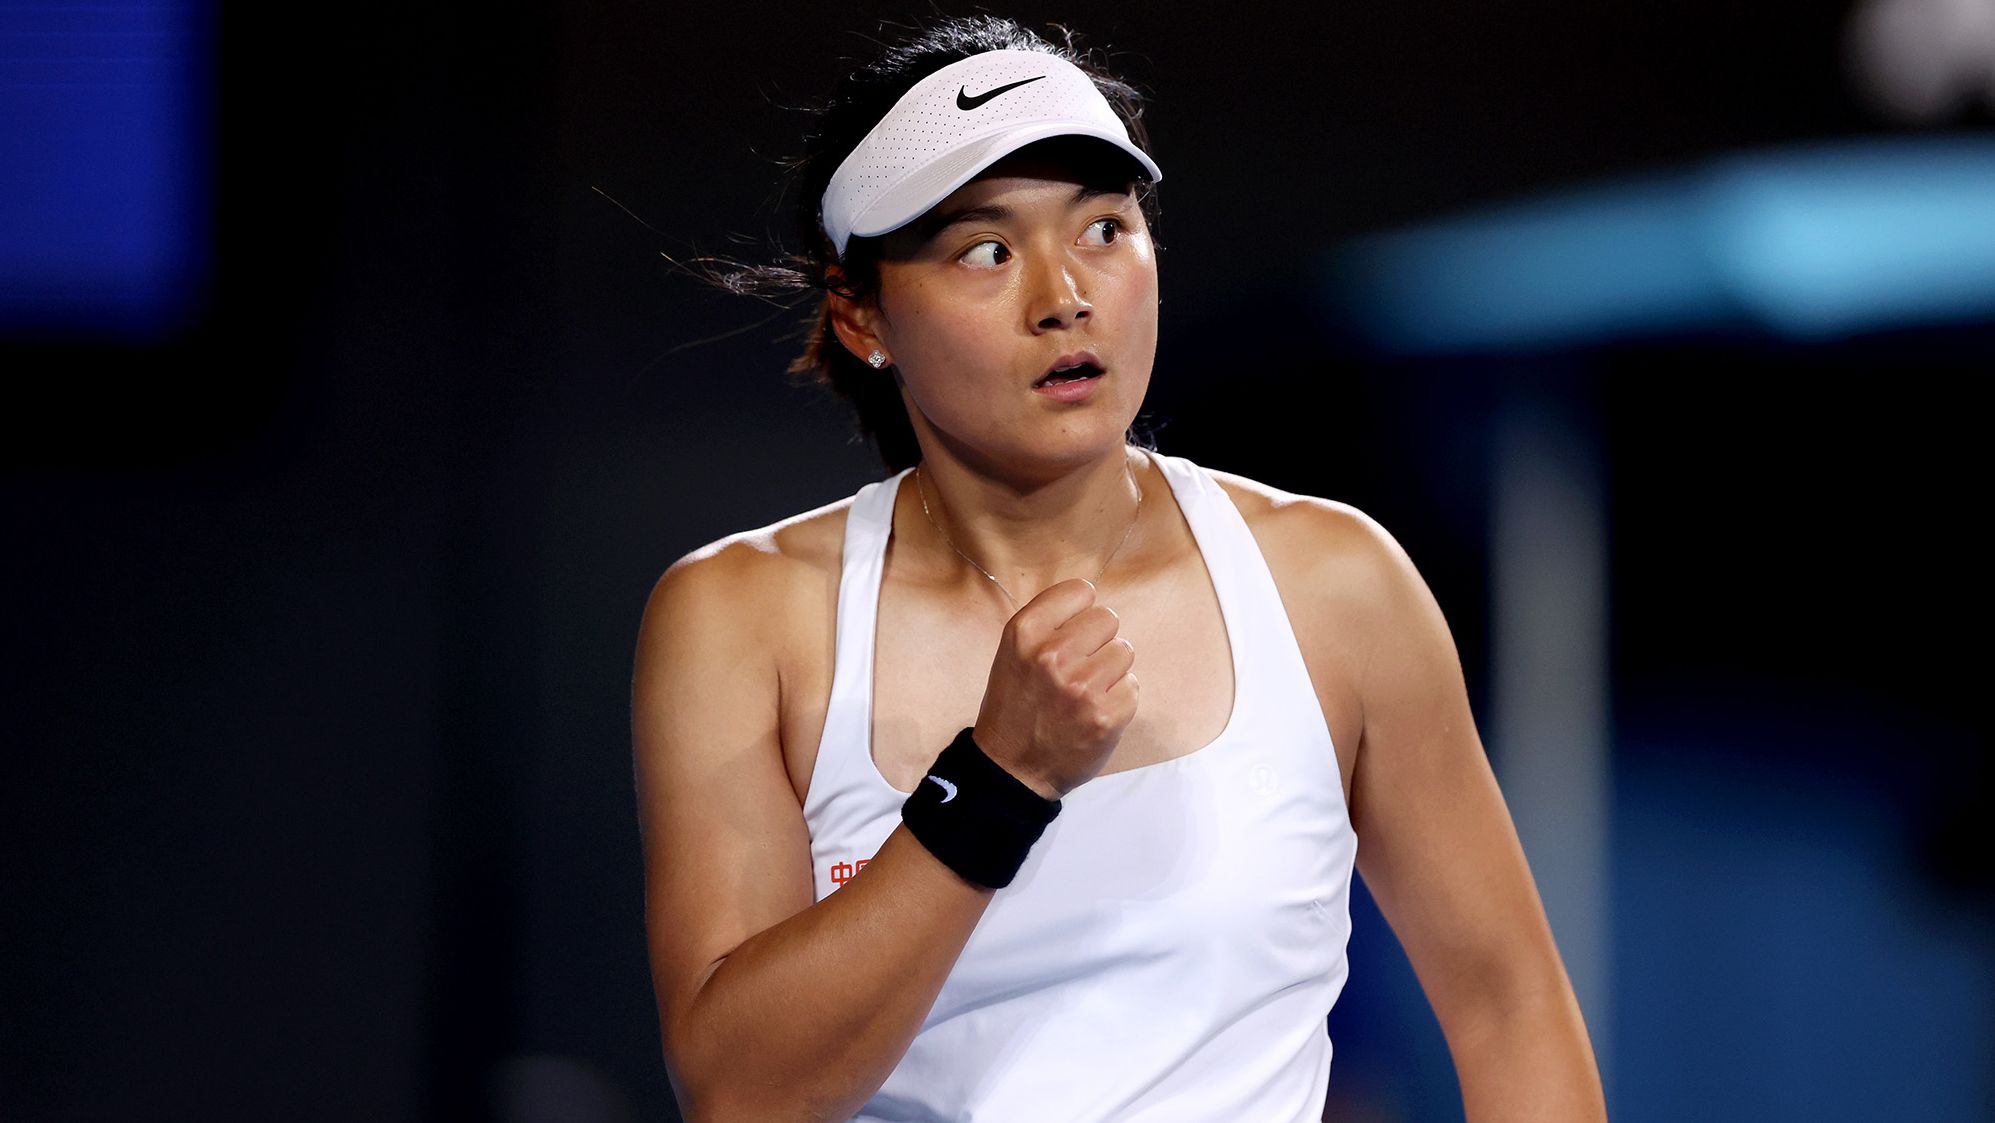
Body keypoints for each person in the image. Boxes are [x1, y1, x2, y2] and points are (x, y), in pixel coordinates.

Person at [630, 15, 1606, 1122]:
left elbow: (1509, 1006)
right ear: (862, 317)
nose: (1064, 295)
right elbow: (740, 1092)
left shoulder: (1336, 583)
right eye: (986, 250)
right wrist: (995, 781)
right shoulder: (739, 616)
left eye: (1103, 227)